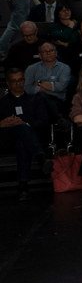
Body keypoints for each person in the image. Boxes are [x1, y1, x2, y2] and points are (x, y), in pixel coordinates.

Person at [0, 67, 48, 200]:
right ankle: (40, 158)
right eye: (14, 81)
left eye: (20, 80)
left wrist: (25, 123)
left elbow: (43, 121)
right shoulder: (2, 103)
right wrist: (2, 123)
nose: (18, 83)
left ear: (24, 81)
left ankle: (23, 186)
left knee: (22, 141)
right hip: (7, 139)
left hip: (29, 139)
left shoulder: (35, 99)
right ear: (8, 83)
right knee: (19, 130)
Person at [25, 42, 72, 121]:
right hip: (35, 101)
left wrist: (39, 83)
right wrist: (51, 87)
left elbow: (60, 87)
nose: (48, 53)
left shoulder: (65, 68)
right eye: (45, 51)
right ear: (40, 55)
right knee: (40, 97)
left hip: (57, 101)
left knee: (41, 100)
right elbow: (27, 88)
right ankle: (59, 120)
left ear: (56, 53)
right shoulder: (31, 69)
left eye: (51, 50)